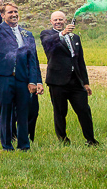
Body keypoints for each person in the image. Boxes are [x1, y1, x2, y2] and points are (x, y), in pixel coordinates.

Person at [0, 0, 43, 151]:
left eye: (16, 12)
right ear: (3, 15)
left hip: (23, 79)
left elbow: (33, 59)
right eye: (10, 12)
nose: (14, 14)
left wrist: (34, 80)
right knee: (5, 112)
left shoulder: (27, 34)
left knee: (24, 112)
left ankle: (24, 145)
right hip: (4, 77)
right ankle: (7, 145)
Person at [41, 11, 97, 145]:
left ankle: (90, 139)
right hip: (57, 81)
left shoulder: (75, 37)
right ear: (51, 21)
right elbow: (48, 44)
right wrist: (62, 33)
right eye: (55, 20)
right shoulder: (47, 35)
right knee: (60, 112)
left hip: (76, 81)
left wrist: (86, 82)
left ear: (65, 20)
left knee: (84, 110)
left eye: (60, 19)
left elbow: (80, 61)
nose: (58, 22)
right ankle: (63, 139)